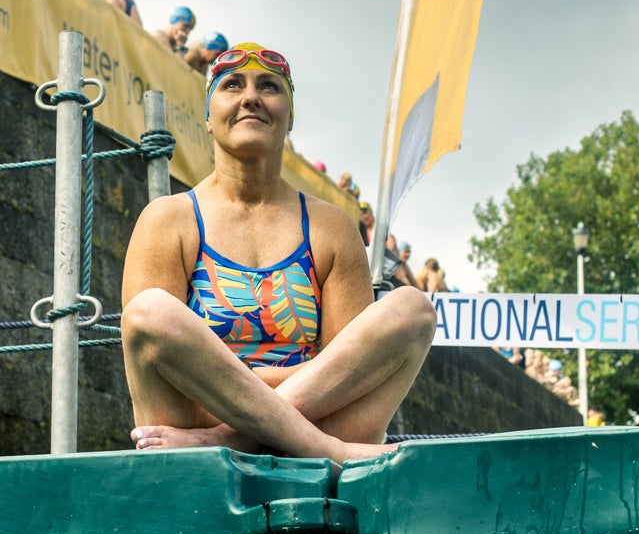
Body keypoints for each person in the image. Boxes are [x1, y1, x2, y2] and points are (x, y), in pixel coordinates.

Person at [121, 43, 437, 463]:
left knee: (412, 308)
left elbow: (349, 371)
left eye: (269, 86)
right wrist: (290, 382)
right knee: (149, 312)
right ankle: (329, 452)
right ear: (208, 118)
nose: (250, 97)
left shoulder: (331, 228)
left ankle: (230, 441)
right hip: (204, 427)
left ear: (290, 118)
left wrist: (242, 393)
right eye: (232, 85)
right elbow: (158, 363)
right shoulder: (170, 220)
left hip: (295, 426)